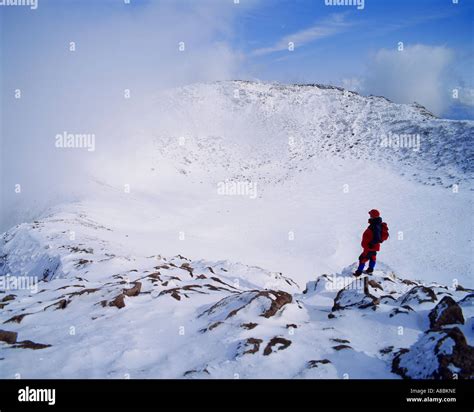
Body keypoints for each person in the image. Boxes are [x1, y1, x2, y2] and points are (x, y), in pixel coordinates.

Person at [354, 209, 389, 276]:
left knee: (362, 258)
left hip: (370, 247)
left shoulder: (375, 226)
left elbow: (377, 238)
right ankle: (370, 270)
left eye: (370, 215)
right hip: (373, 247)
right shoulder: (376, 223)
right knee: (372, 257)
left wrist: (371, 244)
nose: (369, 216)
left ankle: (358, 273)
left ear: (373, 216)